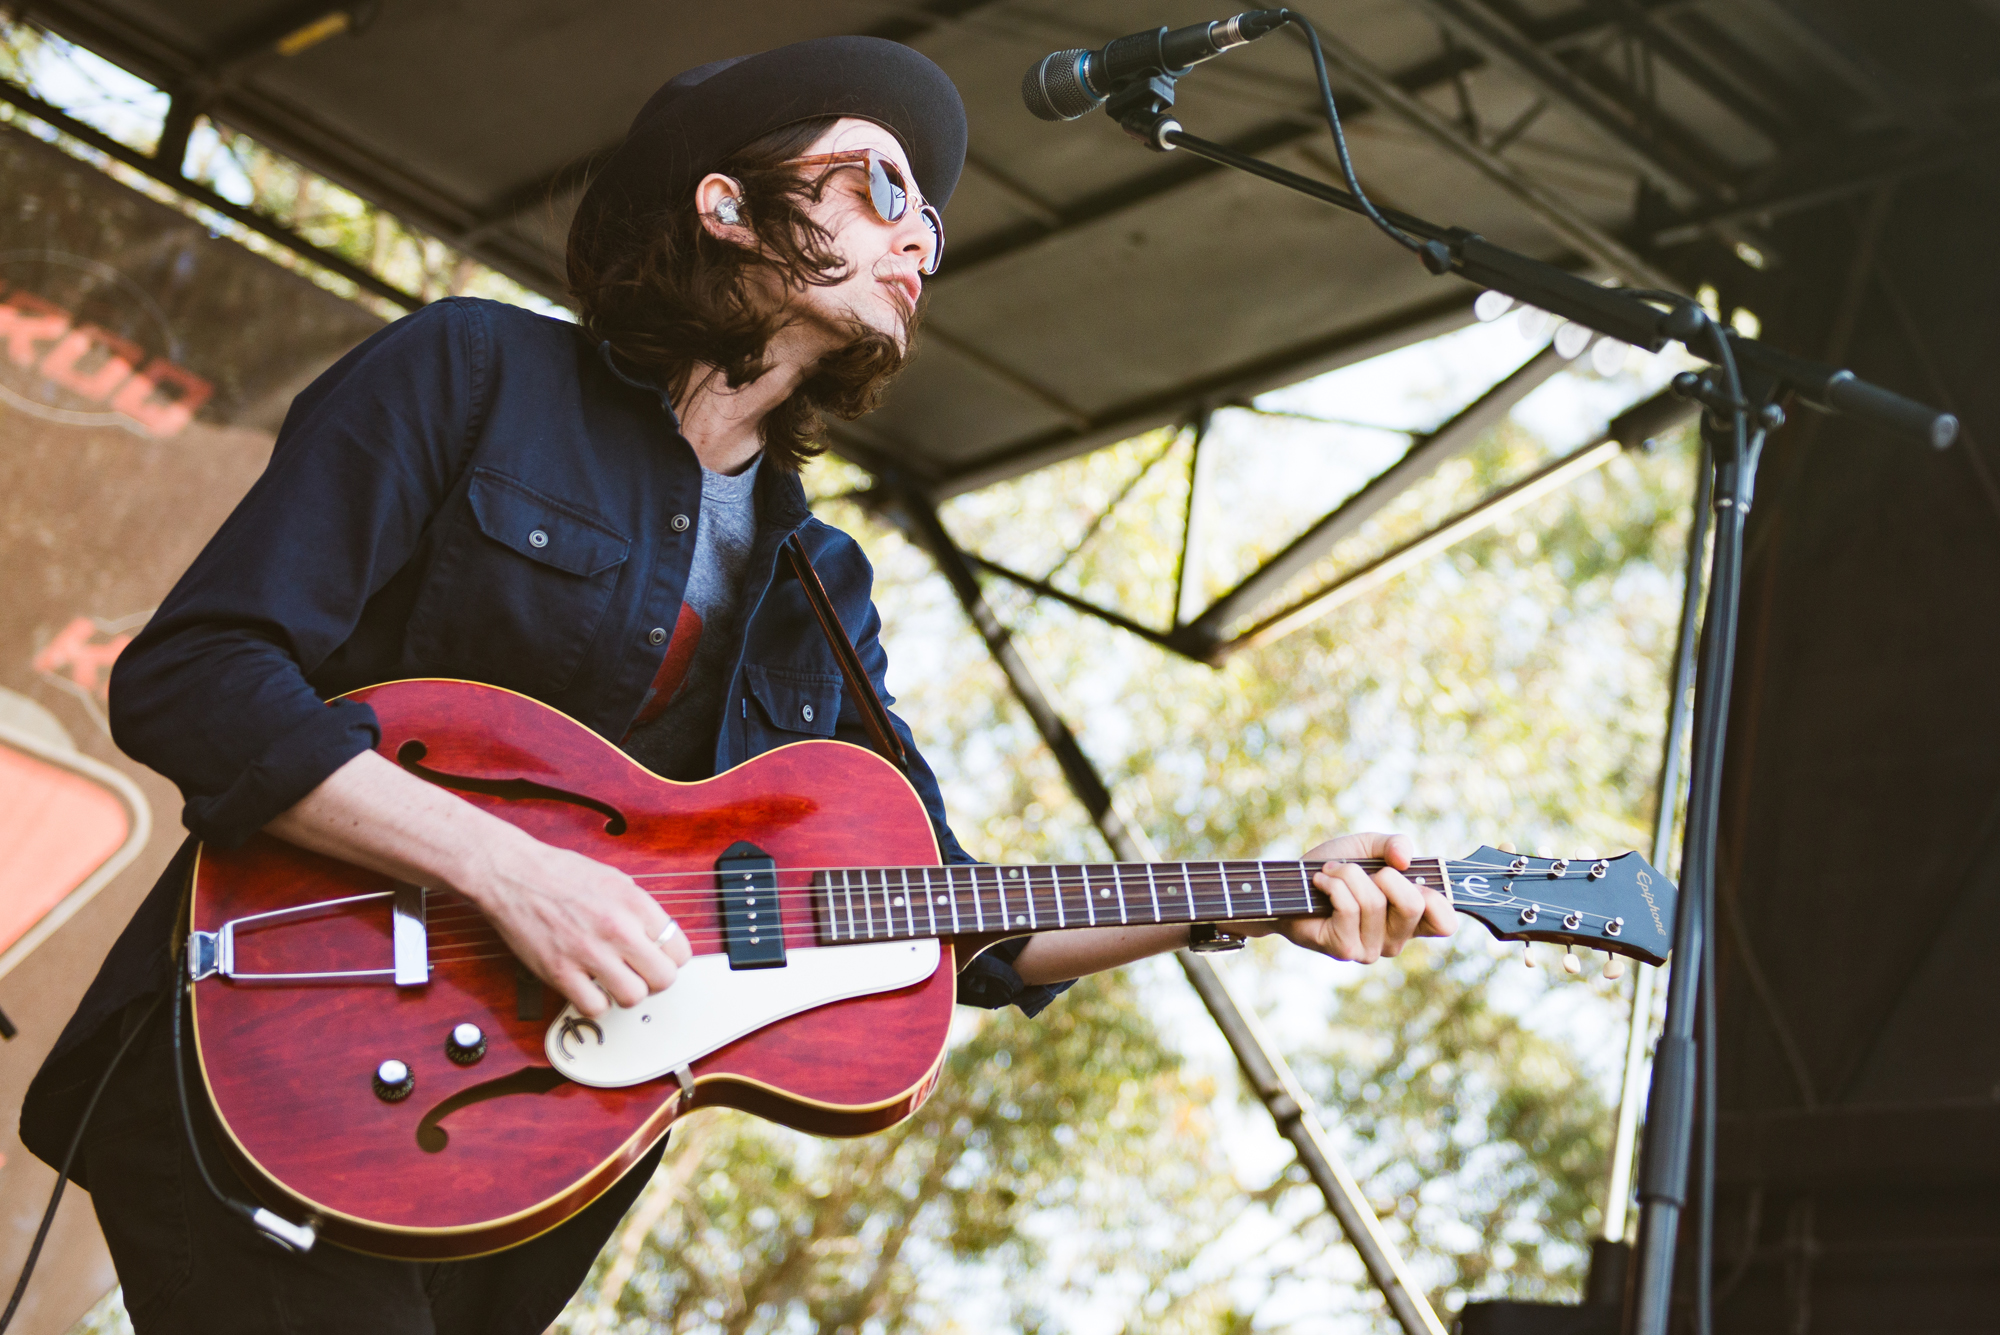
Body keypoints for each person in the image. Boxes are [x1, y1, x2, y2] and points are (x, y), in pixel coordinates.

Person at [19, 34, 1456, 1335]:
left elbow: (957, 925)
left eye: (934, 225)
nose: (922, 242)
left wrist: (1262, 893)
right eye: (882, 188)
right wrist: (517, 874)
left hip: (530, 1165)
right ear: (727, 203)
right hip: (276, 1045)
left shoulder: (821, 586)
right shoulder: (472, 372)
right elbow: (197, 680)